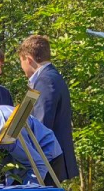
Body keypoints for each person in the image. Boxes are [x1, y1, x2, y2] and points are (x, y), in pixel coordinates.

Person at [17, 35, 79, 182]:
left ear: (28, 59)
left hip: (48, 160)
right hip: (52, 159)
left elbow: (40, 125)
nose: (22, 68)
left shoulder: (45, 80)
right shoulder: (51, 77)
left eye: (21, 61)